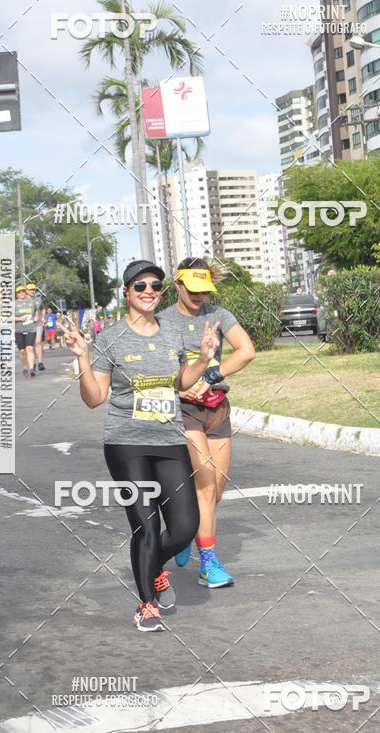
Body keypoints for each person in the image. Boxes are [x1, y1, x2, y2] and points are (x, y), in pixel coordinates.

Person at [59, 259, 219, 633]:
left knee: (184, 527)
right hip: (125, 443)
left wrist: (206, 360)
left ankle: (152, 567)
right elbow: (95, 398)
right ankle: (146, 605)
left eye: (155, 286)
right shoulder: (110, 337)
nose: (149, 292)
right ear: (127, 293)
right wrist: (83, 357)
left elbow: (181, 383)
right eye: (141, 286)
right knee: (146, 527)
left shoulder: (171, 333)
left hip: (169, 439)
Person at [160, 257, 255, 588]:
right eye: (193, 289)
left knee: (217, 486)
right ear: (178, 285)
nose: (200, 295)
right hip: (182, 411)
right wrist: (184, 383)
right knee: (205, 483)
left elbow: (246, 350)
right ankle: (208, 564)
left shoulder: (218, 315)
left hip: (217, 408)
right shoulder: (163, 321)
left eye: (205, 290)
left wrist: (213, 375)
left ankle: (187, 530)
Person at [14, 284, 37, 378]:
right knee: (22, 351)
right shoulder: (13, 304)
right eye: (19, 292)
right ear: (17, 294)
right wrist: (19, 318)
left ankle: (31, 369)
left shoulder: (31, 302)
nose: (22, 293)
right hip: (19, 330)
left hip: (31, 328)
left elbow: (36, 311)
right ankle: (24, 368)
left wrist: (36, 317)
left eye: (23, 291)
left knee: (29, 348)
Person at [26, 282, 45, 372]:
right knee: (31, 344)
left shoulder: (38, 299)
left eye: (33, 289)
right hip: (28, 324)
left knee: (38, 342)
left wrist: (43, 318)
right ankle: (32, 362)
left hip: (38, 323)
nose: (32, 291)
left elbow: (43, 308)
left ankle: (40, 362)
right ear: (26, 291)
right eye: (30, 290)